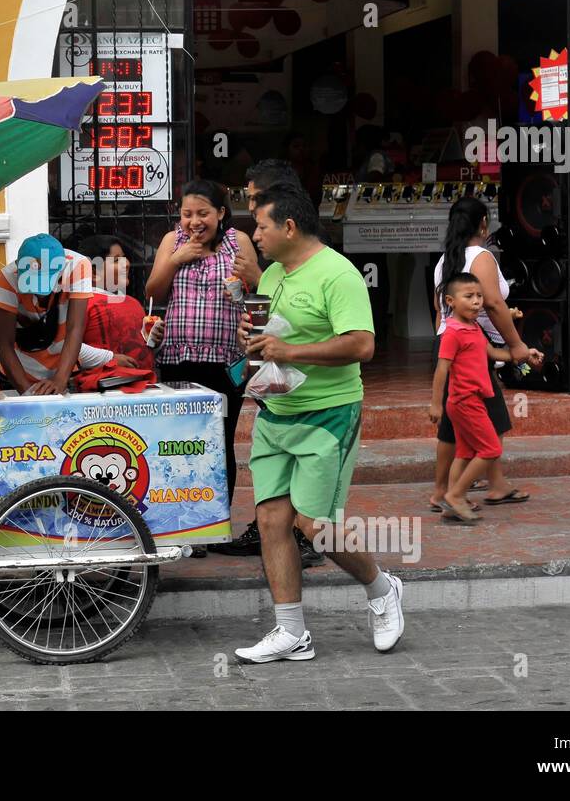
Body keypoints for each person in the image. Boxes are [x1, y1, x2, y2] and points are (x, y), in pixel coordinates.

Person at [233, 183, 405, 663]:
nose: (256, 235)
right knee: (270, 520)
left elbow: (362, 345)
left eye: (262, 226)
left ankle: (381, 589)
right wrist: (256, 338)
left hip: (328, 415)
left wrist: (291, 351)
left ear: (289, 227)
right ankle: (291, 632)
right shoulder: (272, 276)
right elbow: (271, 335)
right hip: (275, 412)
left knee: (315, 525)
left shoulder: (338, 274)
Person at [146, 180, 260, 558]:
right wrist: (175, 260)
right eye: (187, 214)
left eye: (203, 214)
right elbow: (153, 291)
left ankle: (214, 524)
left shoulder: (238, 242)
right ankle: (180, 528)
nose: (194, 221)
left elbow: (259, 289)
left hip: (226, 361)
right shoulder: (171, 241)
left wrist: (248, 277)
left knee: (219, 442)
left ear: (221, 214)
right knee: (179, 445)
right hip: (179, 357)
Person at [220, 159, 323, 565]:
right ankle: (277, 529)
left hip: (310, 393)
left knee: (305, 468)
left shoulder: (312, 255)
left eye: (253, 200)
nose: (252, 219)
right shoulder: (274, 258)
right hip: (275, 378)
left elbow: (351, 340)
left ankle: (304, 533)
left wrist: (256, 273)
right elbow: (269, 306)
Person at [429, 197, 539, 512]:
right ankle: (451, 493)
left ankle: (486, 485)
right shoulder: (482, 256)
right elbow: (492, 302)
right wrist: (516, 344)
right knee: (487, 419)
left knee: (467, 420)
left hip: (454, 344)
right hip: (470, 348)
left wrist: (444, 345)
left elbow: (439, 312)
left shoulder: (443, 261)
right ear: (483, 225)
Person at [429, 272, 524, 523]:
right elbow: (441, 370)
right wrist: (435, 404)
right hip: (464, 402)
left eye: (479, 296)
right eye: (469, 296)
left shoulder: (474, 328)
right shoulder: (452, 332)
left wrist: (522, 354)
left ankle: (451, 501)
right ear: (450, 301)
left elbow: (493, 352)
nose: (476, 301)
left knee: (466, 452)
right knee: (491, 448)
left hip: (473, 400)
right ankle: (457, 495)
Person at [0, 233, 96, 395]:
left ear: (61, 270)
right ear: (19, 268)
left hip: (62, 369)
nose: (39, 293)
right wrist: (28, 394)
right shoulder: (8, 277)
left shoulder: (78, 266)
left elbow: (75, 328)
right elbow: (4, 343)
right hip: (17, 373)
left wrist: (60, 380)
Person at [82, 236, 159, 374]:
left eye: (125, 258)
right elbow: (68, 348)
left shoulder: (134, 303)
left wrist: (155, 339)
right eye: (117, 260)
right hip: (104, 390)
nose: (127, 263)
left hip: (145, 386)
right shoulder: (82, 303)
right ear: (93, 272)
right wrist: (109, 359)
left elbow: (143, 347)